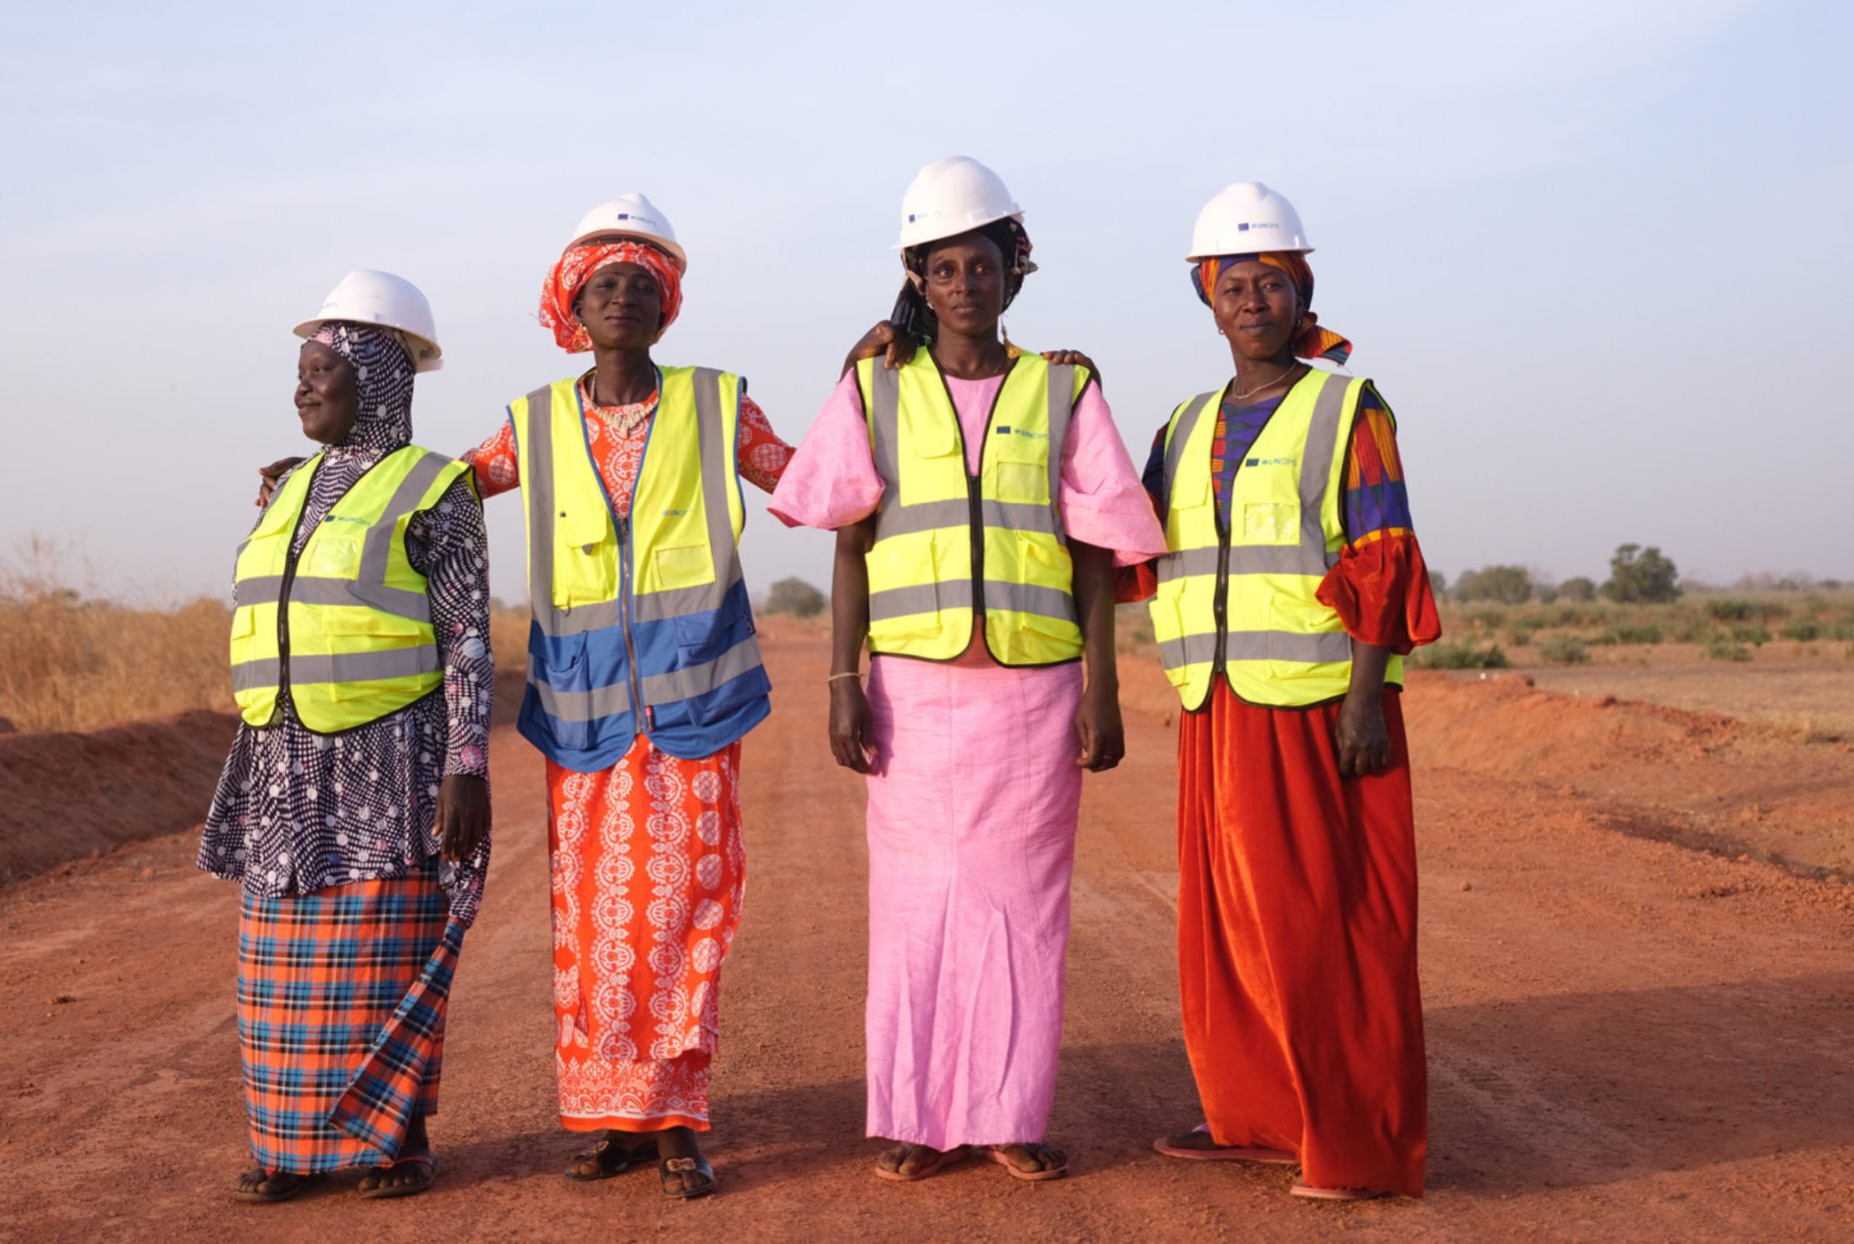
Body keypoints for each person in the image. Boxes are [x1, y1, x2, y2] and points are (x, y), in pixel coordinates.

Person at [769, 157, 1164, 1184]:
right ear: (920, 279)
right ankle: (913, 1115)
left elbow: (1096, 547)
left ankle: (1008, 1114)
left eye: (981, 263)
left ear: (1013, 268)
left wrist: (1103, 686)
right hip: (912, 689)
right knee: (914, 907)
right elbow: (848, 541)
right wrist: (839, 678)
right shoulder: (873, 384)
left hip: (1034, 690)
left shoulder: (1064, 385)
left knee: (1022, 907)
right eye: (943, 268)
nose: (964, 284)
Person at [465, 193, 793, 1201]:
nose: (620, 296)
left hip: (695, 712)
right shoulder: (534, 422)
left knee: (686, 912)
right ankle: (610, 1112)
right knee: (597, 924)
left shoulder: (716, 403)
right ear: (572, 303)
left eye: (640, 284)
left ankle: (678, 1119)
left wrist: (886, 374)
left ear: (667, 305)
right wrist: (328, 475)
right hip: (585, 716)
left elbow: (811, 477)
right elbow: (443, 487)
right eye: (603, 283)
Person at [1133, 183, 1439, 1201]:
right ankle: (1261, 1115)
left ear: (1300, 290)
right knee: (1229, 924)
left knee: (1325, 926)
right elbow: (1121, 535)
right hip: (1214, 705)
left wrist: (1366, 695)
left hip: (1315, 707)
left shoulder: (1349, 406)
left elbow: (1382, 554)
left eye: (1271, 281)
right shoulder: (1182, 423)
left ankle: (1357, 1147)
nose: (1251, 299)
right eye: (1233, 283)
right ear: (1204, 298)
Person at [202, 270, 493, 1204]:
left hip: (388, 765)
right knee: (278, 962)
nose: (303, 386)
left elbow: (469, 639)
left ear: (376, 377)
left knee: (380, 956)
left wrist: (466, 766)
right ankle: (289, 1145)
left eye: (322, 368)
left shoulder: (436, 487)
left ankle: (396, 1140)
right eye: (299, 370)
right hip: (283, 766)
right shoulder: (284, 490)